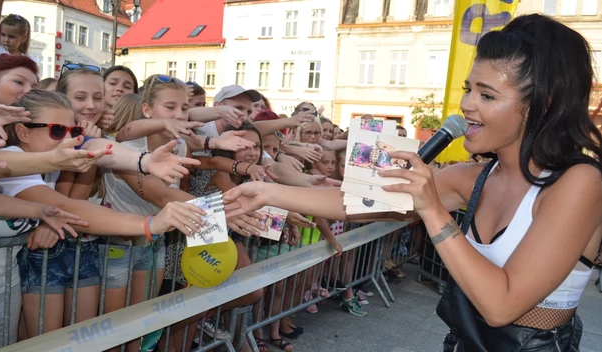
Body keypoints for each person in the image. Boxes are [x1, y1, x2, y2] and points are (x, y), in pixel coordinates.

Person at [225, 14, 602, 350]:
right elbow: (359, 201)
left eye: (486, 95)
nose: (467, 105)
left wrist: (433, 209)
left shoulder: (578, 183)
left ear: (543, 105)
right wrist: (268, 192)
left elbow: (501, 305)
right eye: (468, 89)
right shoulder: (473, 177)